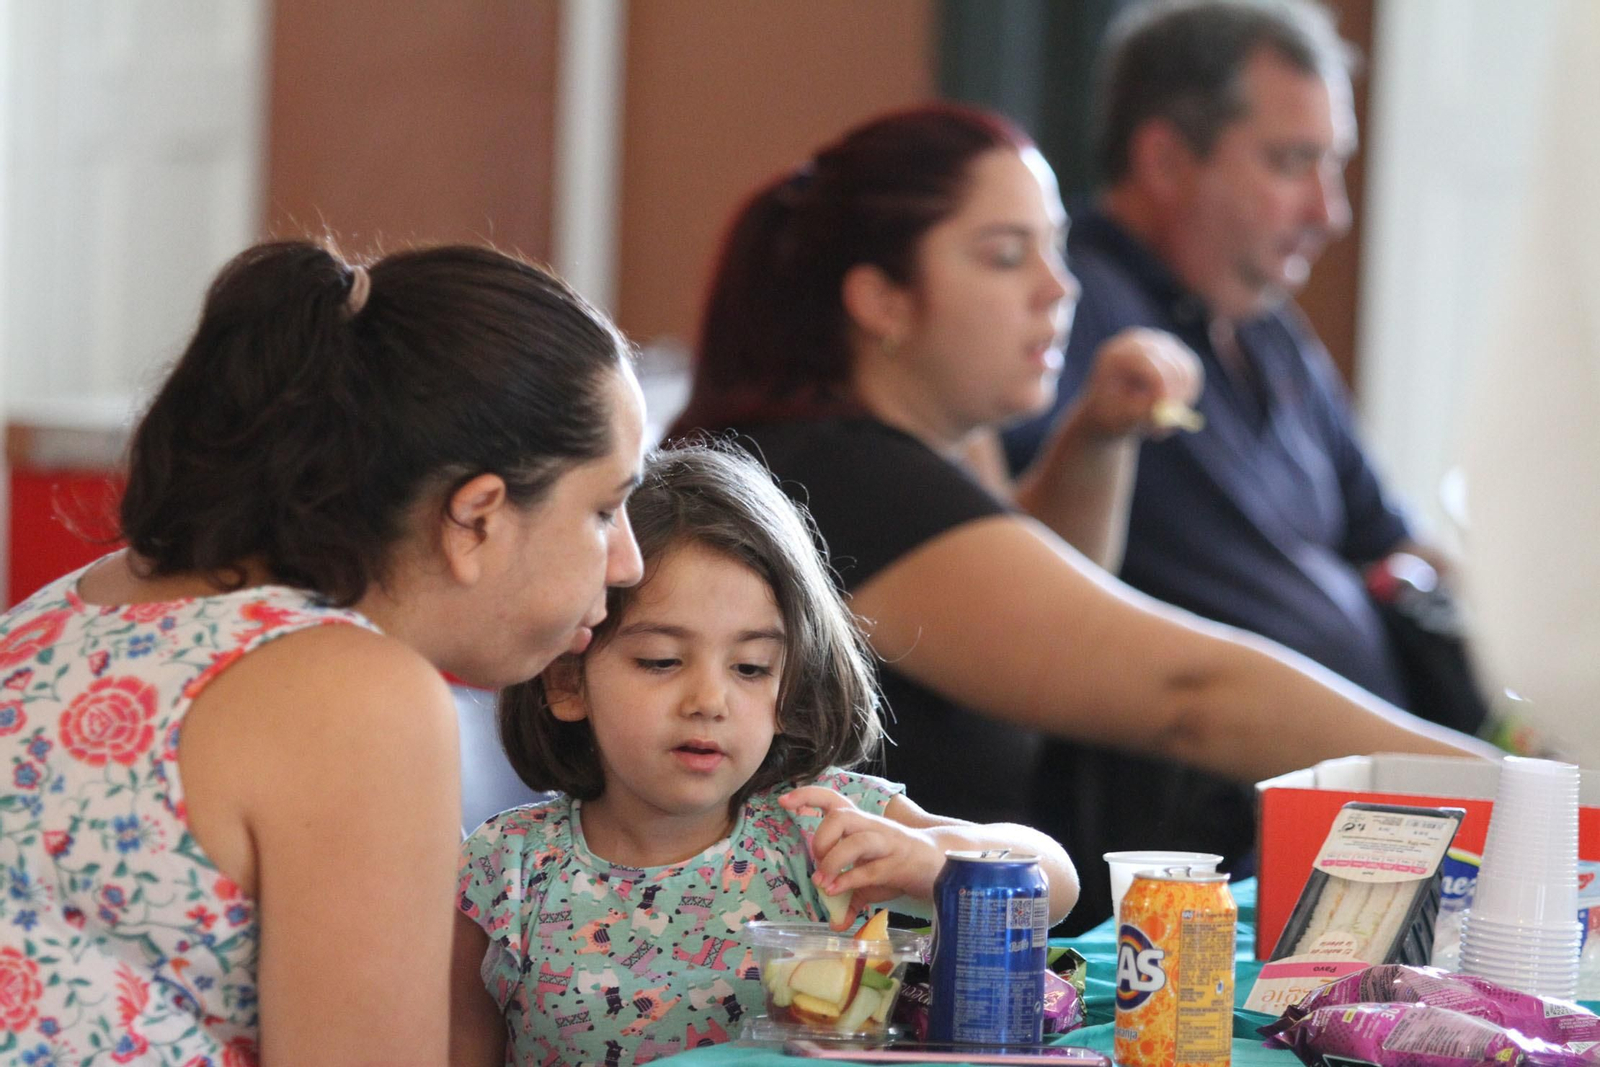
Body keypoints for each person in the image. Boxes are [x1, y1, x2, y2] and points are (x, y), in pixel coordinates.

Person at [666, 102, 1498, 934]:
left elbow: (1030, 596)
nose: (1058, 287)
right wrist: (1507, 791)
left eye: (1056, 246)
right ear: (882, 300)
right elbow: (1190, 694)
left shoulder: (905, 457)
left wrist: (1098, 440)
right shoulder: (845, 485)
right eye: (1005, 256)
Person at [0, 241, 646, 1065]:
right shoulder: (355, 699)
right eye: (605, 509)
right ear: (477, 516)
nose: (627, 561)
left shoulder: (82, 601)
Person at [998, 0, 1473, 919]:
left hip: (1369, 829)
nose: (1328, 212)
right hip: (1187, 859)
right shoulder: (1068, 318)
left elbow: (1387, 538)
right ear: (1168, 157)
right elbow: (1025, 564)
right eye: (1293, 163)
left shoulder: (1276, 334)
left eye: (1333, 167)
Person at [449, 444, 1077, 1065]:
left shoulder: (822, 825)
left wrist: (932, 864)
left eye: (752, 667)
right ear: (566, 681)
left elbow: (1054, 880)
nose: (709, 700)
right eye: (661, 661)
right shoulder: (505, 871)